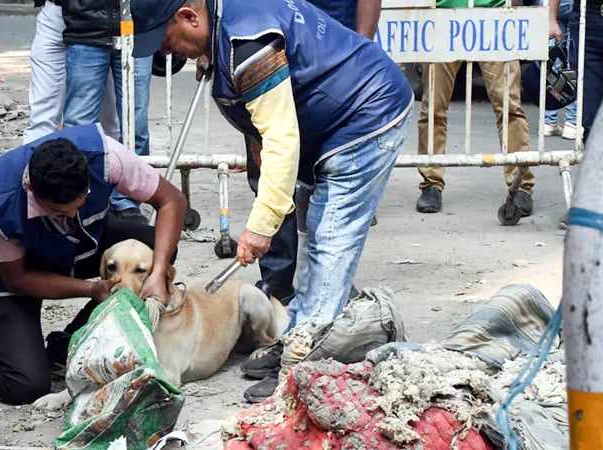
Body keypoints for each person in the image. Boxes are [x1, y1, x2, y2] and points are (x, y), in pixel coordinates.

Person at [131, 0, 413, 402]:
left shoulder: (249, 43)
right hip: (337, 117)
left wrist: (260, 228)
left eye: (167, 41)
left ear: (190, 17)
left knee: (330, 237)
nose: (168, 54)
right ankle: (296, 336)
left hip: (366, 113)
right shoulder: (224, 25)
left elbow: (282, 142)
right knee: (317, 233)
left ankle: (310, 364)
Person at [0, 124, 186, 404]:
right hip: (9, 275)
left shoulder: (105, 156)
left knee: (152, 249)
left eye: (82, 201)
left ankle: (66, 345)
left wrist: (158, 271)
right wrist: (92, 289)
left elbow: (171, 200)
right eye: (61, 211)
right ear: (31, 188)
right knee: (26, 384)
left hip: (78, 246)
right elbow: (19, 279)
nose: (74, 213)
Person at [230, 0, 382, 308]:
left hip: (328, 66)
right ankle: (278, 280)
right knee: (270, 175)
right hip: (273, 59)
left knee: (323, 194)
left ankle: (324, 291)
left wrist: (361, 48)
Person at [414, 0, 533, 215]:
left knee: (509, 107)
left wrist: (513, 10)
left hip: (495, 18)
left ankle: (520, 183)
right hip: (443, 18)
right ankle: (431, 183)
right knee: (433, 108)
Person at [62, 0, 155, 224]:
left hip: (138, 28)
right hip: (86, 27)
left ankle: (127, 201)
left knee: (136, 124)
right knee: (78, 126)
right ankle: (79, 199)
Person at [22, 0, 120, 144]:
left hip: (97, 22)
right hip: (55, 14)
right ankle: (37, 164)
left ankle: (112, 163)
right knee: (42, 115)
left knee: (107, 120)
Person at [550, 0, 603, 142]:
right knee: (590, 110)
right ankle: (594, 161)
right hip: (588, 18)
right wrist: (551, 19)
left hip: (588, 18)